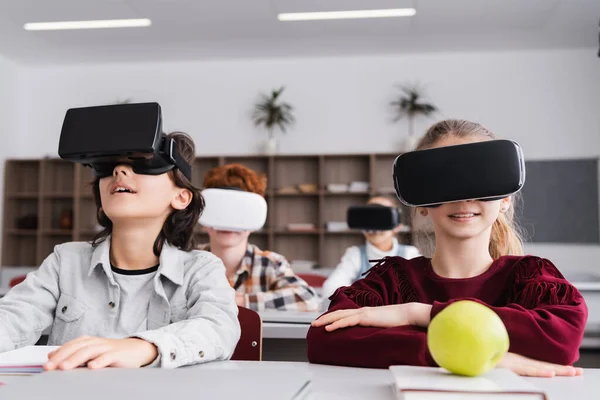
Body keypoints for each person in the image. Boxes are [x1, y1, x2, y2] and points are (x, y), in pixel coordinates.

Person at [307, 119, 588, 378]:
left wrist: (417, 314)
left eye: (479, 179)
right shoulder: (391, 281)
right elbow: (325, 338)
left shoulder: (529, 277)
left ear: (504, 200)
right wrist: (472, 357)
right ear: (422, 204)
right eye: (444, 181)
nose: (463, 197)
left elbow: (563, 338)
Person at [0, 132, 240, 370]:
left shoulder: (201, 268)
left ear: (181, 197)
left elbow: (220, 328)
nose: (119, 171)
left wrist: (146, 347)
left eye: (143, 163)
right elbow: (13, 318)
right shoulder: (65, 262)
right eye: (109, 166)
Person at [199, 163, 320, 312]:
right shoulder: (185, 261)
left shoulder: (270, 264)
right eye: (219, 210)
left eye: (239, 212)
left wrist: (242, 301)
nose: (228, 222)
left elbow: (308, 299)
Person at [322, 196, 420, 298]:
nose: (374, 225)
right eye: (369, 216)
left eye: (383, 217)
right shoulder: (354, 254)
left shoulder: (409, 254)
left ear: (397, 226)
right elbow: (330, 289)